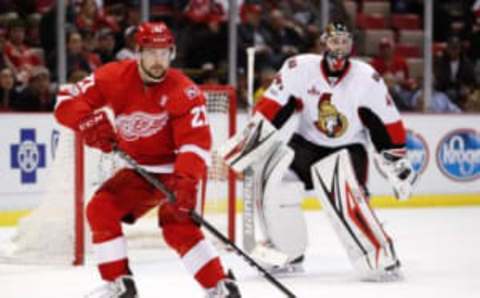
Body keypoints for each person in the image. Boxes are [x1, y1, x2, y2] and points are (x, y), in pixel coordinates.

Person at [54, 21, 241, 298]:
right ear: (138, 52)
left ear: (172, 53)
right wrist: (86, 121)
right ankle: (120, 284)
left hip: (177, 169)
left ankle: (219, 286)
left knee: (177, 225)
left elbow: (195, 142)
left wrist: (186, 181)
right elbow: (65, 101)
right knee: (101, 208)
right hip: (139, 171)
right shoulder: (113, 76)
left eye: (164, 53)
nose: (158, 60)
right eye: (152, 53)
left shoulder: (185, 90)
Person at [220, 22, 416, 281]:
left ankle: (380, 257)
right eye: (334, 41)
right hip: (305, 145)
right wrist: (244, 150)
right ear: (324, 43)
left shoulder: (367, 79)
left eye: (344, 41)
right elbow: (272, 109)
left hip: (348, 149)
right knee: (272, 182)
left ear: (351, 45)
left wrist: (396, 161)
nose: (339, 47)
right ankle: (286, 251)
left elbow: (386, 124)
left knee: (341, 192)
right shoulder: (299, 69)